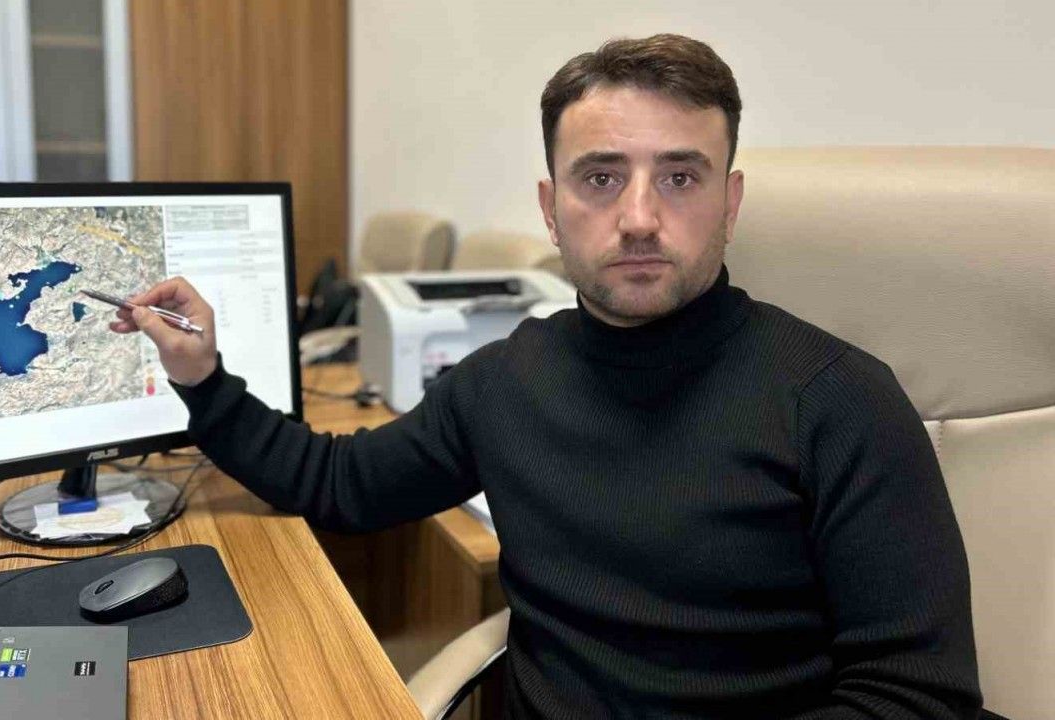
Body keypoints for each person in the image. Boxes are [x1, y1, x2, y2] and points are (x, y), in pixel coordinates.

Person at [111, 34, 982, 720]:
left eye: (681, 176)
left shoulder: (838, 400)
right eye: (601, 177)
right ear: (551, 209)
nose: (639, 217)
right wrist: (203, 379)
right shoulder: (506, 380)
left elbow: (914, 697)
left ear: (731, 200)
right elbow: (340, 484)